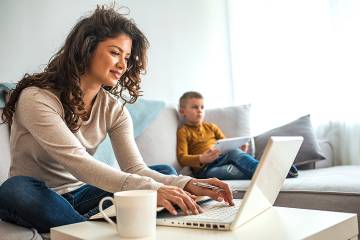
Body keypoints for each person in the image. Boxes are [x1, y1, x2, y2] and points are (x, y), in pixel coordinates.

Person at [0, 5, 233, 234]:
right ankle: (91, 228)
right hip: (37, 194)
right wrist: (154, 189)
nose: (123, 65)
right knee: (16, 189)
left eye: (128, 57)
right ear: (87, 48)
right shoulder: (37, 98)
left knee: (162, 171)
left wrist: (185, 183)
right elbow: (79, 163)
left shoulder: (114, 110)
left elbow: (135, 168)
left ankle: (84, 224)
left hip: (82, 194)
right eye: (114, 52)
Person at [177, 91, 298, 180]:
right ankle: (277, 171)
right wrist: (201, 159)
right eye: (194, 107)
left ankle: (274, 170)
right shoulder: (183, 131)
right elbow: (182, 158)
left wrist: (237, 147)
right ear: (182, 111)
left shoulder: (211, 127)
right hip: (205, 170)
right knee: (233, 171)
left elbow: (225, 144)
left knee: (235, 152)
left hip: (224, 157)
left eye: (202, 107)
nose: (199, 110)